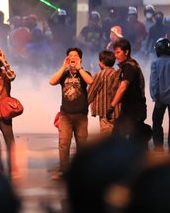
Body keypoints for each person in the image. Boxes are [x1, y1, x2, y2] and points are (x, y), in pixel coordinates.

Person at [50, 47, 92, 177]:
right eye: (70, 56)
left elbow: (91, 81)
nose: (72, 57)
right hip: (65, 115)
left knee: (82, 144)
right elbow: (52, 81)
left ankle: (82, 170)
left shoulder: (84, 73)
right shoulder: (64, 74)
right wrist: (64, 67)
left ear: (80, 59)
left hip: (81, 115)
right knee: (64, 143)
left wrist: (79, 68)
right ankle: (64, 170)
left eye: (75, 56)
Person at [109, 38, 148, 144]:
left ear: (126, 52)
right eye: (115, 53)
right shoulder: (132, 64)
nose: (116, 56)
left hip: (133, 110)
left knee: (118, 137)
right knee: (134, 140)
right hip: (134, 109)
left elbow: (123, 87)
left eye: (118, 52)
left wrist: (112, 106)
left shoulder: (129, 67)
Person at [87, 49, 121, 137]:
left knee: (106, 136)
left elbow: (91, 92)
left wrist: (83, 106)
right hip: (118, 111)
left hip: (105, 111)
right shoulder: (118, 74)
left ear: (102, 62)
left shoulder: (100, 75)